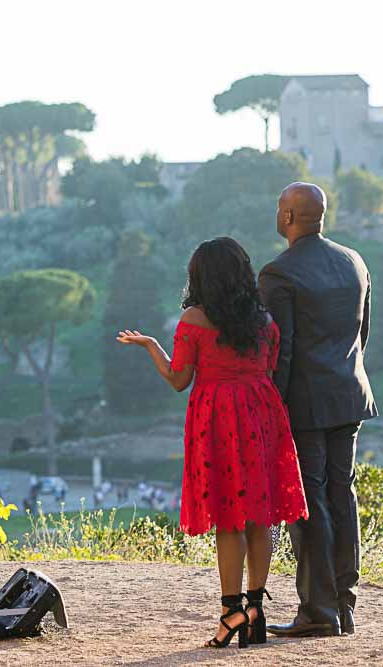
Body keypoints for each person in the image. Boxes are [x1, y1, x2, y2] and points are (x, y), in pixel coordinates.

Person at [118, 237, 307, 648]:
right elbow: (269, 369)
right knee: (261, 516)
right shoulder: (264, 321)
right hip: (261, 413)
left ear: (200, 277)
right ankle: (255, 609)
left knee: (229, 519)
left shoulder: (193, 320)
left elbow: (179, 380)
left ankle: (230, 612)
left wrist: (151, 345)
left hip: (218, 417)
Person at [259, 183, 378, 638]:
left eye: (278, 206)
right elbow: (362, 332)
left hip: (303, 403)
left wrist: (271, 409)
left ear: (289, 216)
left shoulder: (278, 274)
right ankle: (344, 604)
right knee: (341, 495)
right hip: (348, 393)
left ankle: (317, 610)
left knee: (307, 502)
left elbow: (280, 352)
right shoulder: (355, 261)